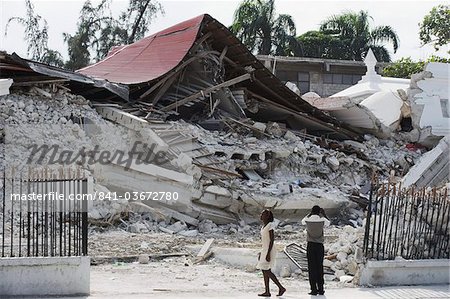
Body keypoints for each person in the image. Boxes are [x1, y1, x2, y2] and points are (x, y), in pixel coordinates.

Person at [256, 209, 286, 297]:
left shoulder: (270, 225)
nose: (261, 215)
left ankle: (281, 287)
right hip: (264, 249)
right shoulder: (264, 226)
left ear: (267, 216)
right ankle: (267, 291)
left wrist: (268, 253)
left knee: (266, 270)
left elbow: (272, 240)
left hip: (269, 249)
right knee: (264, 270)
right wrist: (262, 252)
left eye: (262, 214)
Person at [301, 205, 330, 296]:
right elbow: (328, 223)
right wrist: (324, 214)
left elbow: (302, 221)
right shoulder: (322, 220)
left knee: (312, 268)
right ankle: (321, 289)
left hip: (310, 245)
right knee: (319, 267)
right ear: (319, 212)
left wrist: (310, 213)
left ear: (312, 211)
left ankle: (313, 289)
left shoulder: (308, 220)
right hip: (319, 246)